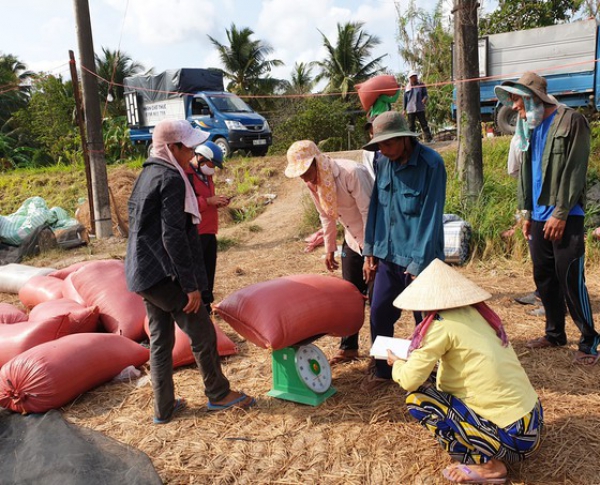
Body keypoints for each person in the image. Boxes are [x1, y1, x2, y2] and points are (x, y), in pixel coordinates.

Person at [125, 119, 255, 424]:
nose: (193, 151)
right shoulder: (170, 178)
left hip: (142, 272)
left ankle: (164, 407)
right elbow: (172, 236)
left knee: (160, 339)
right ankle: (219, 394)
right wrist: (189, 285)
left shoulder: (147, 173)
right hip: (162, 274)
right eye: (188, 146)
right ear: (173, 148)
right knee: (202, 330)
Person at [387, 258, 543, 485]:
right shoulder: (478, 314)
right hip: (532, 423)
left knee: (417, 399)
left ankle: (487, 465)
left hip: (514, 437)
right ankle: (487, 447)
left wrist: (397, 364)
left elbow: (410, 380)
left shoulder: (440, 324)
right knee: (431, 377)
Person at [495, 71, 599, 366]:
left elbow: (576, 170)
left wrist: (560, 213)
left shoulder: (571, 120)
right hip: (539, 216)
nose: (514, 106)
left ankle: (589, 342)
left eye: (516, 99)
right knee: (544, 277)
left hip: (565, 215)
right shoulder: (529, 127)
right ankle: (554, 334)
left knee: (570, 278)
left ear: (533, 97)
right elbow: (526, 176)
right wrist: (525, 214)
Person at [361, 110, 446, 391]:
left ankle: (428, 374)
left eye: (387, 144)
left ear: (403, 139)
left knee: (425, 322)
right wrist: (370, 249)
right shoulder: (384, 162)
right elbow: (376, 206)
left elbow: (431, 217)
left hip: (420, 260)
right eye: (379, 146)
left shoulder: (432, 165)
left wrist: (417, 263)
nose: (382, 151)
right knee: (379, 314)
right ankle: (385, 370)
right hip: (388, 256)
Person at [285, 140, 374, 365]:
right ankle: (349, 348)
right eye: (300, 175)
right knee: (349, 295)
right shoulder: (313, 183)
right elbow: (326, 215)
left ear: (317, 161)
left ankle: (380, 354)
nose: (304, 178)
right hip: (352, 239)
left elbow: (369, 213)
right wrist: (329, 248)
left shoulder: (351, 173)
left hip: (375, 238)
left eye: (306, 171)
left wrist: (370, 253)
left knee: (375, 297)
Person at [186, 140, 229, 315]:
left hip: (210, 230)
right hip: (196, 231)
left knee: (209, 269)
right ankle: (198, 307)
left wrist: (216, 202)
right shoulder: (186, 173)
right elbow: (185, 203)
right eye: (212, 163)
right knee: (198, 272)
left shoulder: (206, 174)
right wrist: (208, 202)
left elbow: (205, 198)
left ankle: (207, 304)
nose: (213, 168)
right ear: (201, 157)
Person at [403, 70, 433, 143]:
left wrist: (424, 99)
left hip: (420, 107)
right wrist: (404, 109)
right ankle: (412, 141)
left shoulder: (421, 85)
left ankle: (428, 139)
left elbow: (425, 94)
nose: (414, 78)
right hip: (410, 109)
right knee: (411, 126)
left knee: (424, 124)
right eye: (412, 77)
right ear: (409, 78)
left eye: (415, 76)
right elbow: (405, 99)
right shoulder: (407, 87)